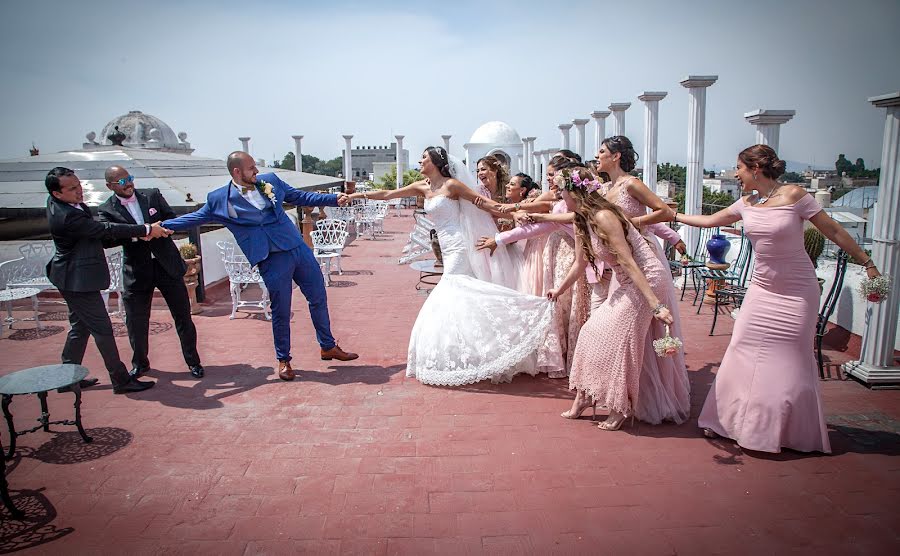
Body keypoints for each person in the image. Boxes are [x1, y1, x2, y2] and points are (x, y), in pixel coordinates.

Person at [674, 144, 881, 454]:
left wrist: (867, 262)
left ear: (755, 168)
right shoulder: (746, 203)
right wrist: (672, 214)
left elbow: (833, 230)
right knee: (742, 349)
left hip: (798, 292)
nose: (736, 174)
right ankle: (728, 422)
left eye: (739, 169)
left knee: (791, 360)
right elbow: (709, 221)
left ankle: (787, 430)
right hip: (761, 290)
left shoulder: (796, 195)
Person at [350, 147, 557, 386]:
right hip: (445, 247)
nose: (420, 161)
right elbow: (388, 193)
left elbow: (483, 203)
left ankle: (516, 317)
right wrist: (357, 197)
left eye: (424, 158)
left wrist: (515, 213)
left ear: (436, 162)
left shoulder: (452, 186)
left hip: (458, 245)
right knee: (461, 293)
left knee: (452, 288)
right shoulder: (422, 187)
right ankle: (473, 348)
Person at [161, 152, 358, 382]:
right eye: (251, 168)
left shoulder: (271, 181)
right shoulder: (219, 199)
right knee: (281, 310)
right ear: (237, 172)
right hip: (271, 258)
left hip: (297, 248)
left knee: (318, 296)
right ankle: (284, 360)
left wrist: (333, 199)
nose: (256, 171)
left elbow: (299, 196)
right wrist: (159, 227)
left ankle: (328, 346)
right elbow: (195, 218)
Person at [547, 166, 674, 430]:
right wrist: (559, 289)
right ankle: (585, 397)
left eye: (562, 192)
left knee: (621, 342)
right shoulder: (582, 218)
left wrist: (656, 304)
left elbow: (628, 261)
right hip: (628, 282)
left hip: (646, 280)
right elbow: (580, 264)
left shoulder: (604, 216)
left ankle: (619, 407)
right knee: (590, 333)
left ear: (575, 192)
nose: (560, 198)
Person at [45, 167, 165, 394]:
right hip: (77, 280)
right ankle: (120, 380)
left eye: (78, 185)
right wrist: (146, 228)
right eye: (72, 189)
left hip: (70, 276)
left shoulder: (60, 203)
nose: (79, 191)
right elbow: (103, 229)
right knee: (102, 330)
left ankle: (67, 377)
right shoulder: (67, 216)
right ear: (57, 193)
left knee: (80, 327)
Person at [98, 166, 204, 379]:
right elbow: (107, 238)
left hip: (167, 266)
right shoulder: (106, 210)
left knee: (183, 316)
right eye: (121, 182)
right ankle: (140, 363)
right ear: (110, 186)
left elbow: (171, 218)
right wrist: (140, 234)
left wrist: (162, 228)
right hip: (137, 271)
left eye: (129, 178)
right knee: (136, 320)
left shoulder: (152, 195)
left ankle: (193, 361)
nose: (128, 184)